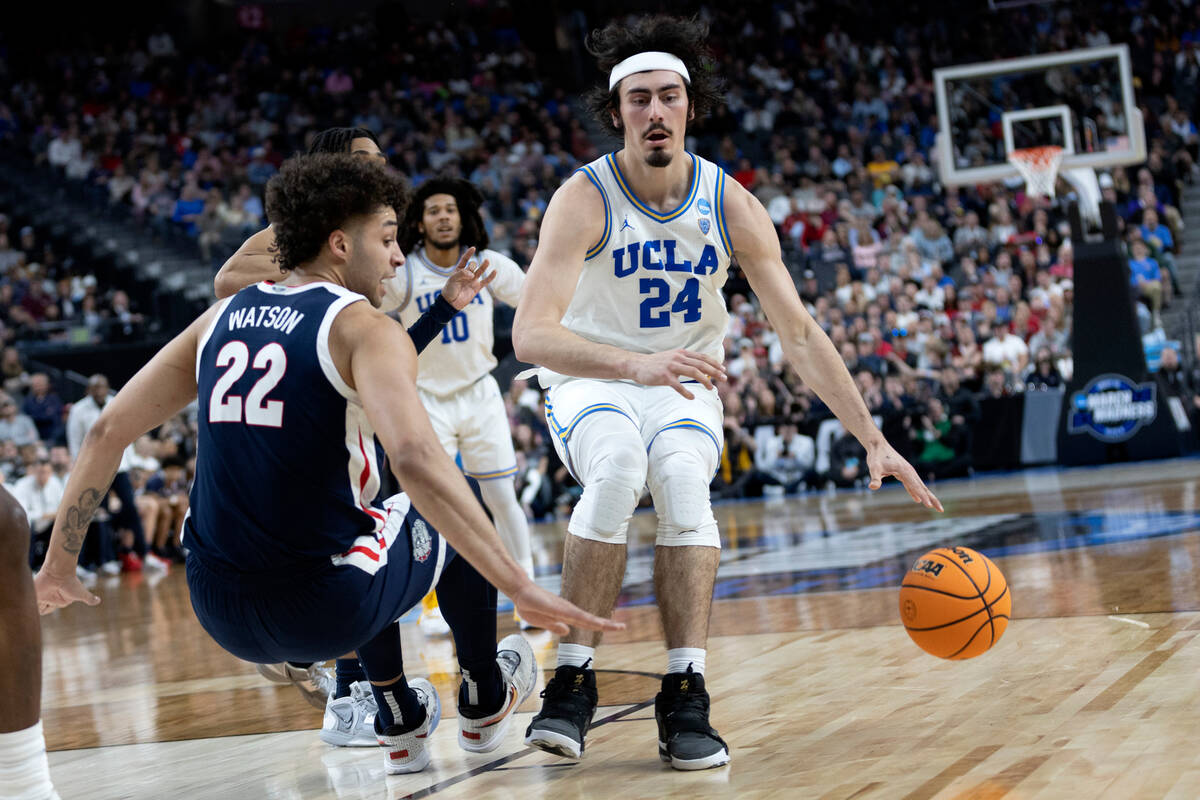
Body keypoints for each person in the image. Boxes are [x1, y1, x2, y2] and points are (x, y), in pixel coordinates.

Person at [34, 154, 621, 777]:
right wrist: (521, 585)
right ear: (340, 244)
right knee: (452, 500)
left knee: (363, 518)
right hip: (321, 609)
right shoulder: (364, 328)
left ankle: (398, 716)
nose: (400, 258)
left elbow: (106, 430)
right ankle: (482, 695)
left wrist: (57, 568)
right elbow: (419, 460)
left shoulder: (218, 318)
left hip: (218, 611)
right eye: (390, 239)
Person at [512, 14, 940, 771]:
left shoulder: (730, 203)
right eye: (637, 98)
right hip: (590, 378)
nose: (654, 112)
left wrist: (871, 437)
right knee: (617, 468)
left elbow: (800, 335)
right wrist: (635, 365)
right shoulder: (582, 199)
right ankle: (572, 680)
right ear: (616, 113)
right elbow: (531, 337)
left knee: (681, 480)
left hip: (683, 384)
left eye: (667, 96)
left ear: (689, 107)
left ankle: (685, 691)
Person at [212, 126, 498, 729]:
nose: (383, 169)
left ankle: (357, 690)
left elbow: (388, 351)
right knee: (409, 519)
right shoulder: (302, 262)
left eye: (381, 158)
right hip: (305, 434)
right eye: (366, 163)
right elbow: (226, 282)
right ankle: (393, 691)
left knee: (370, 543)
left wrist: (445, 307)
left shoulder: (371, 252)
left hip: (351, 424)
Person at [392, 176, 538, 629]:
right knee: (434, 501)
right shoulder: (404, 272)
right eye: (433, 210)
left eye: (450, 209)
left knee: (501, 496)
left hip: (479, 392)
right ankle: (434, 607)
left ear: (464, 216)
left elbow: (537, 299)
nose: (442, 217)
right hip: (426, 396)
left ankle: (528, 591)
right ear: (420, 220)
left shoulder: (490, 264)